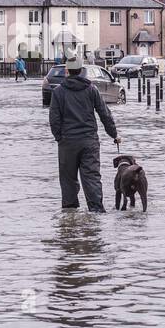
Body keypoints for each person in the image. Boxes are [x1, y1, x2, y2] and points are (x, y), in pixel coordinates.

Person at [49, 52, 118, 212]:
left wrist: (59, 137)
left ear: (67, 71)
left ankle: (70, 214)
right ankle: (96, 212)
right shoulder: (91, 89)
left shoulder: (59, 92)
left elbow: (54, 119)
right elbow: (105, 114)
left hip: (67, 143)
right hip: (89, 141)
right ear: (81, 70)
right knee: (92, 177)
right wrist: (114, 134)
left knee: (68, 180)